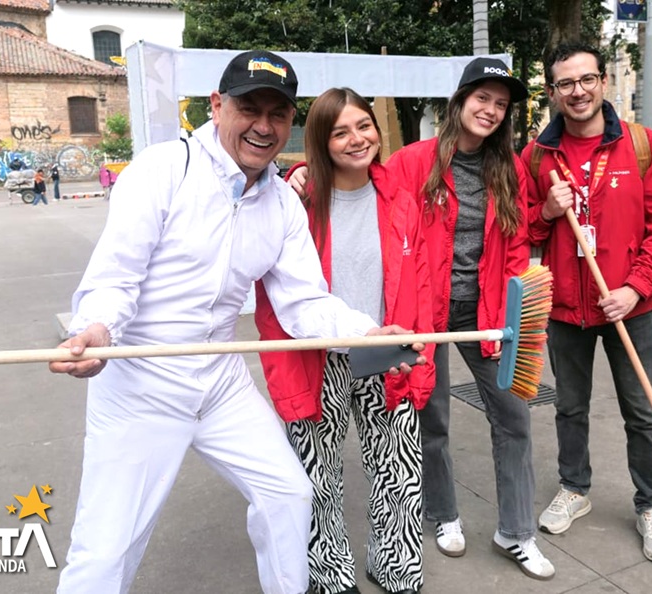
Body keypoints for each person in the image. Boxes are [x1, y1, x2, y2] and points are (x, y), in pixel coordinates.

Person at [48, 50, 423, 594]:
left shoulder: (282, 205)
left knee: (288, 496)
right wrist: (98, 329)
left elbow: (304, 303)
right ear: (216, 105)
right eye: (250, 108)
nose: (264, 126)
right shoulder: (162, 170)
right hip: (140, 378)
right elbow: (115, 277)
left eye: (278, 113)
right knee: (106, 547)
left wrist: (364, 331)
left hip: (221, 380)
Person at [293, 58, 551, 580]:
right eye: (482, 98)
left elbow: (518, 242)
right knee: (428, 419)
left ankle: (517, 532)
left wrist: (509, 316)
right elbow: (357, 185)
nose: (491, 110)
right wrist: (295, 174)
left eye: (501, 104)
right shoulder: (414, 161)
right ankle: (443, 515)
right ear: (459, 101)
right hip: (421, 314)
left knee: (514, 416)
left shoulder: (512, 169)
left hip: (485, 314)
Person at [255, 87, 434, 594]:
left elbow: (419, 281)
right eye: (340, 132)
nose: (357, 140)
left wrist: (419, 351)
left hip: (387, 348)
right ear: (320, 141)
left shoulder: (399, 196)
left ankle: (397, 569)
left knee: (399, 471)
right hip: (319, 355)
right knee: (318, 473)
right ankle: (331, 575)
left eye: (364, 126)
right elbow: (276, 295)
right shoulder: (297, 201)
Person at [521, 42, 652, 563]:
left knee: (643, 410)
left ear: (603, 82)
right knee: (569, 407)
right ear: (552, 92)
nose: (578, 91)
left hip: (629, 309)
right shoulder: (537, 155)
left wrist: (636, 286)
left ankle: (651, 503)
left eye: (586, 79)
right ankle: (575, 487)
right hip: (566, 308)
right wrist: (546, 208)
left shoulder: (641, 145)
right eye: (565, 83)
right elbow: (520, 230)